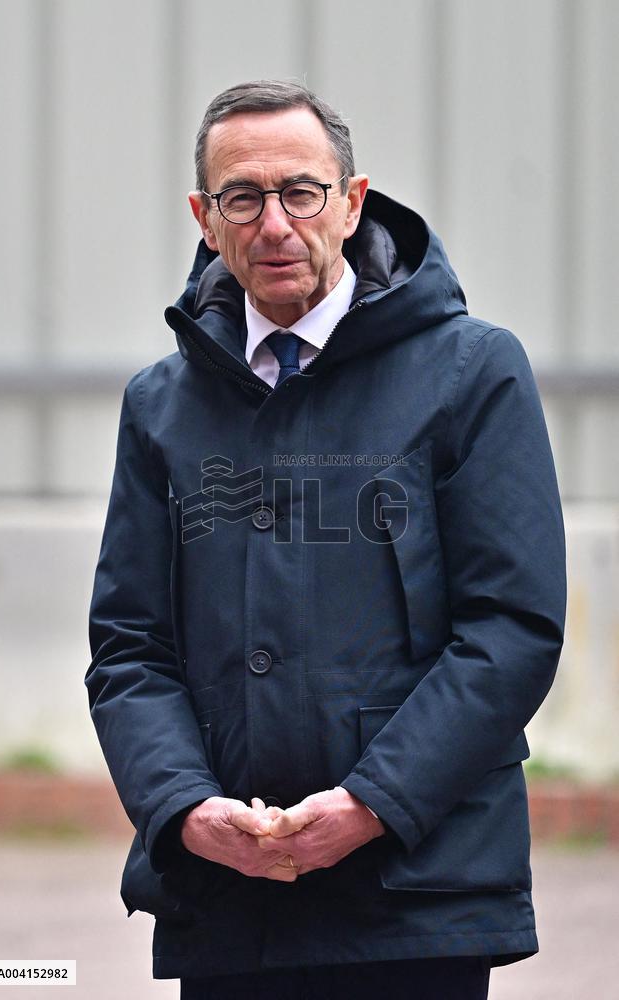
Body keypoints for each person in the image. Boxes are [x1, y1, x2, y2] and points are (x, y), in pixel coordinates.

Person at [86, 80, 566, 999]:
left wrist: (370, 804)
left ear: (349, 203)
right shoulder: (159, 408)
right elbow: (128, 650)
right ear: (205, 216)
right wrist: (183, 810)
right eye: (243, 197)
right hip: (231, 905)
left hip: (417, 901)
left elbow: (510, 631)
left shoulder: (471, 374)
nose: (275, 223)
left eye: (301, 192)